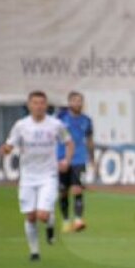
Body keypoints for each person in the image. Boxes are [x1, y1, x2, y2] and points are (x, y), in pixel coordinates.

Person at [0, 91, 74, 261]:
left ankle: (49, 222)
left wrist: (66, 160)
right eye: (35, 103)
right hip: (27, 176)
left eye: (42, 103)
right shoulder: (21, 125)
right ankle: (34, 252)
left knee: (42, 215)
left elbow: (69, 142)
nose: (39, 106)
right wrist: (5, 150)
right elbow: (10, 145)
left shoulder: (55, 124)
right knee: (31, 216)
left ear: (46, 105)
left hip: (48, 175)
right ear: (29, 105)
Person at [56, 91, 95, 233]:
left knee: (78, 189)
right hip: (62, 159)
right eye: (74, 100)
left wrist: (92, 159)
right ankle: (66, 220)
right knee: (63, 191)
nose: (77, 103)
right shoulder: (60, 118)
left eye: (80, 101)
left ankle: (78, 220)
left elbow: (89, 140)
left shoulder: (87, 120)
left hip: (79, 159)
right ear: (69, 102)